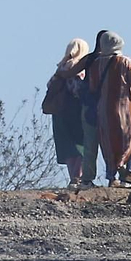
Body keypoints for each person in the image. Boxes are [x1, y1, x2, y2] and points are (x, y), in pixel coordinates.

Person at [88, 30, 131, 187]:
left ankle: (112, 177)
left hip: (103, 110)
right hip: (125, 108)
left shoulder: (95, 65)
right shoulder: (125, 62)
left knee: (109, 141)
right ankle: (129, 172)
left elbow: (92, 87)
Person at [45, 38, 99, 189]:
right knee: (81, 144)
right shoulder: (77, 67)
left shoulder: (61, 66)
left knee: (68, 147)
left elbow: (50, 85)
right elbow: (77, 88)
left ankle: (73, 177)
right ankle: (78, 177)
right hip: (74, 111)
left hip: (59, 112)